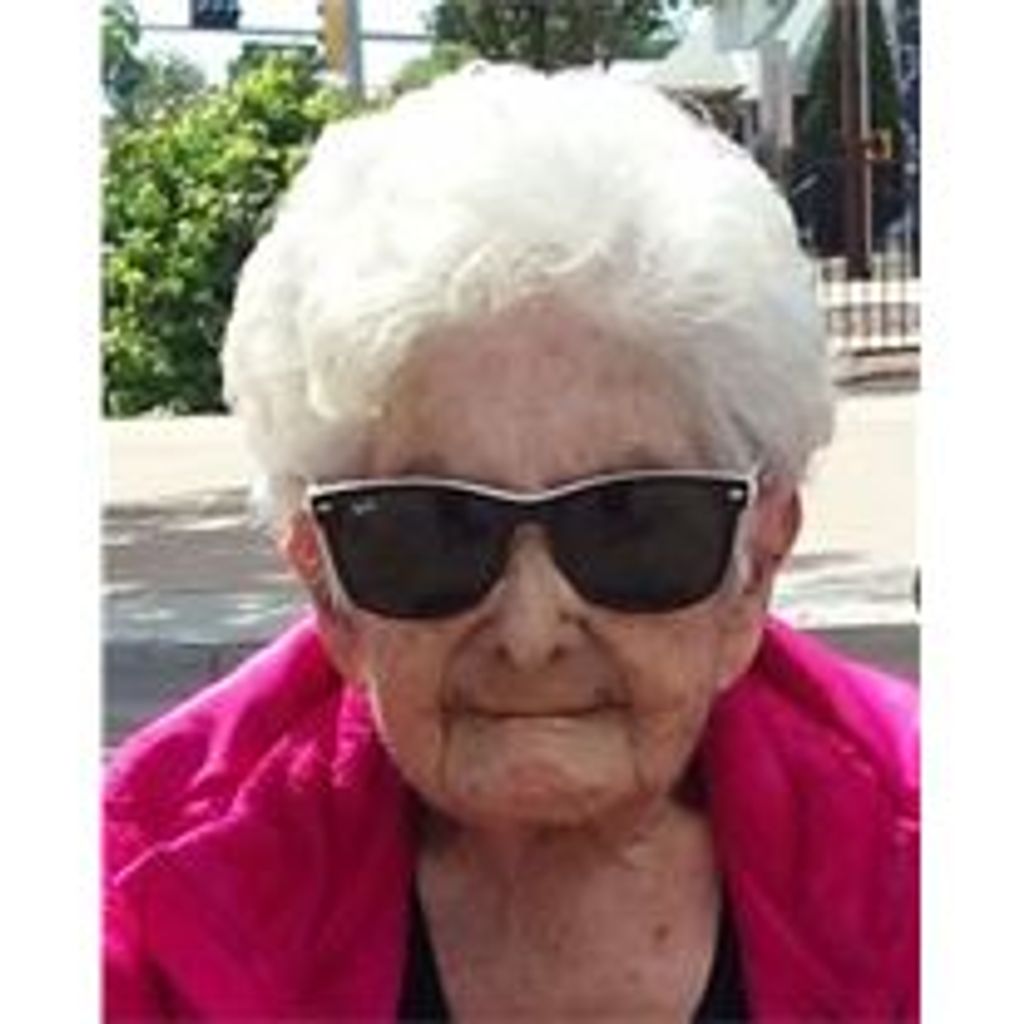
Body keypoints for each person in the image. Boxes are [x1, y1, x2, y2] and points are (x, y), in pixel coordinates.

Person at [104, 65, 918, 1021]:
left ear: (756, 568)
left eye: (629, 520)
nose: (531, 636)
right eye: (434, 528)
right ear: (326, 588)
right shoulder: (138, 908)